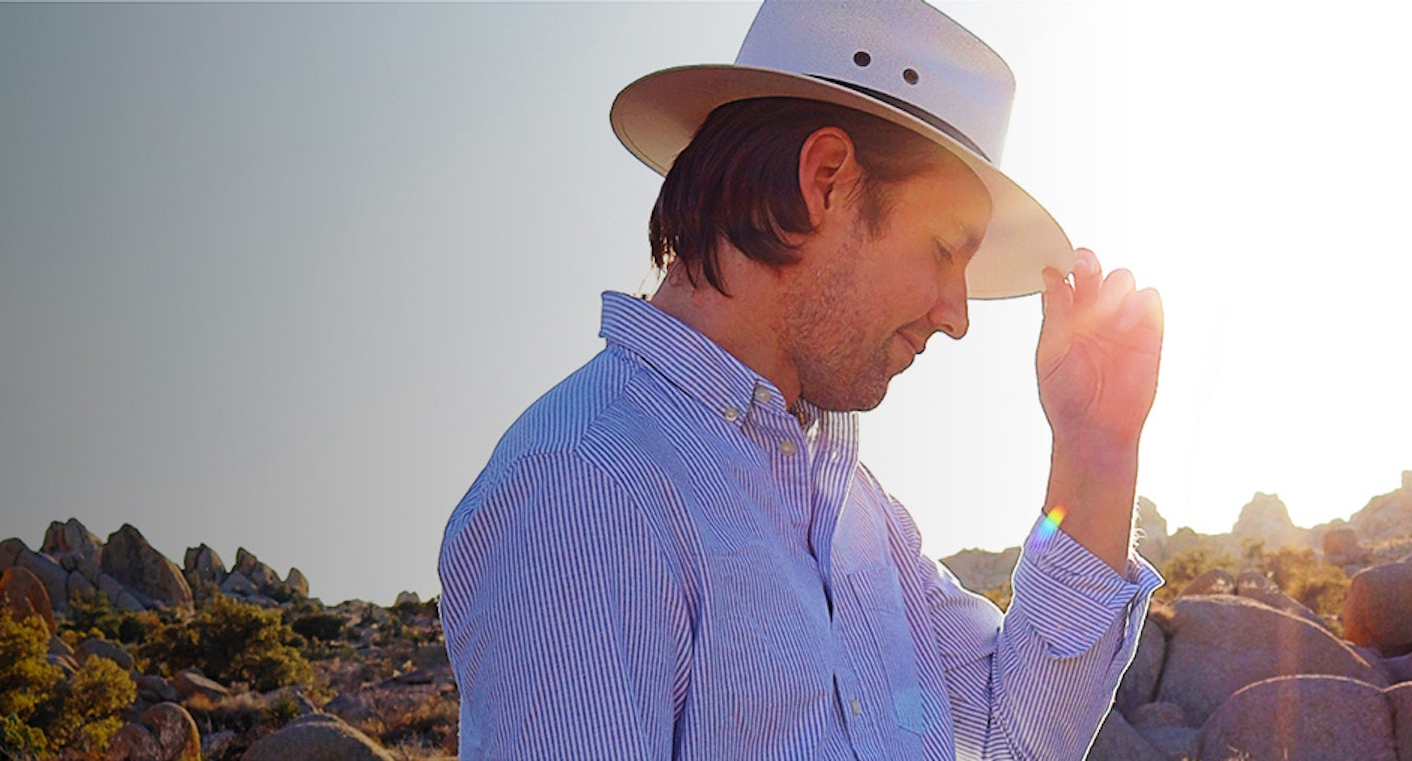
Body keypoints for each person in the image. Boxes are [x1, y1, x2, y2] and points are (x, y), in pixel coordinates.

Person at [436, 1, 1167, 758]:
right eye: (944, 250)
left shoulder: (857, 511)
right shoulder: (586, 486)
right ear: (825, 180)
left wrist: (1096, 452)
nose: (957, 316)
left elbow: (1012, 735)